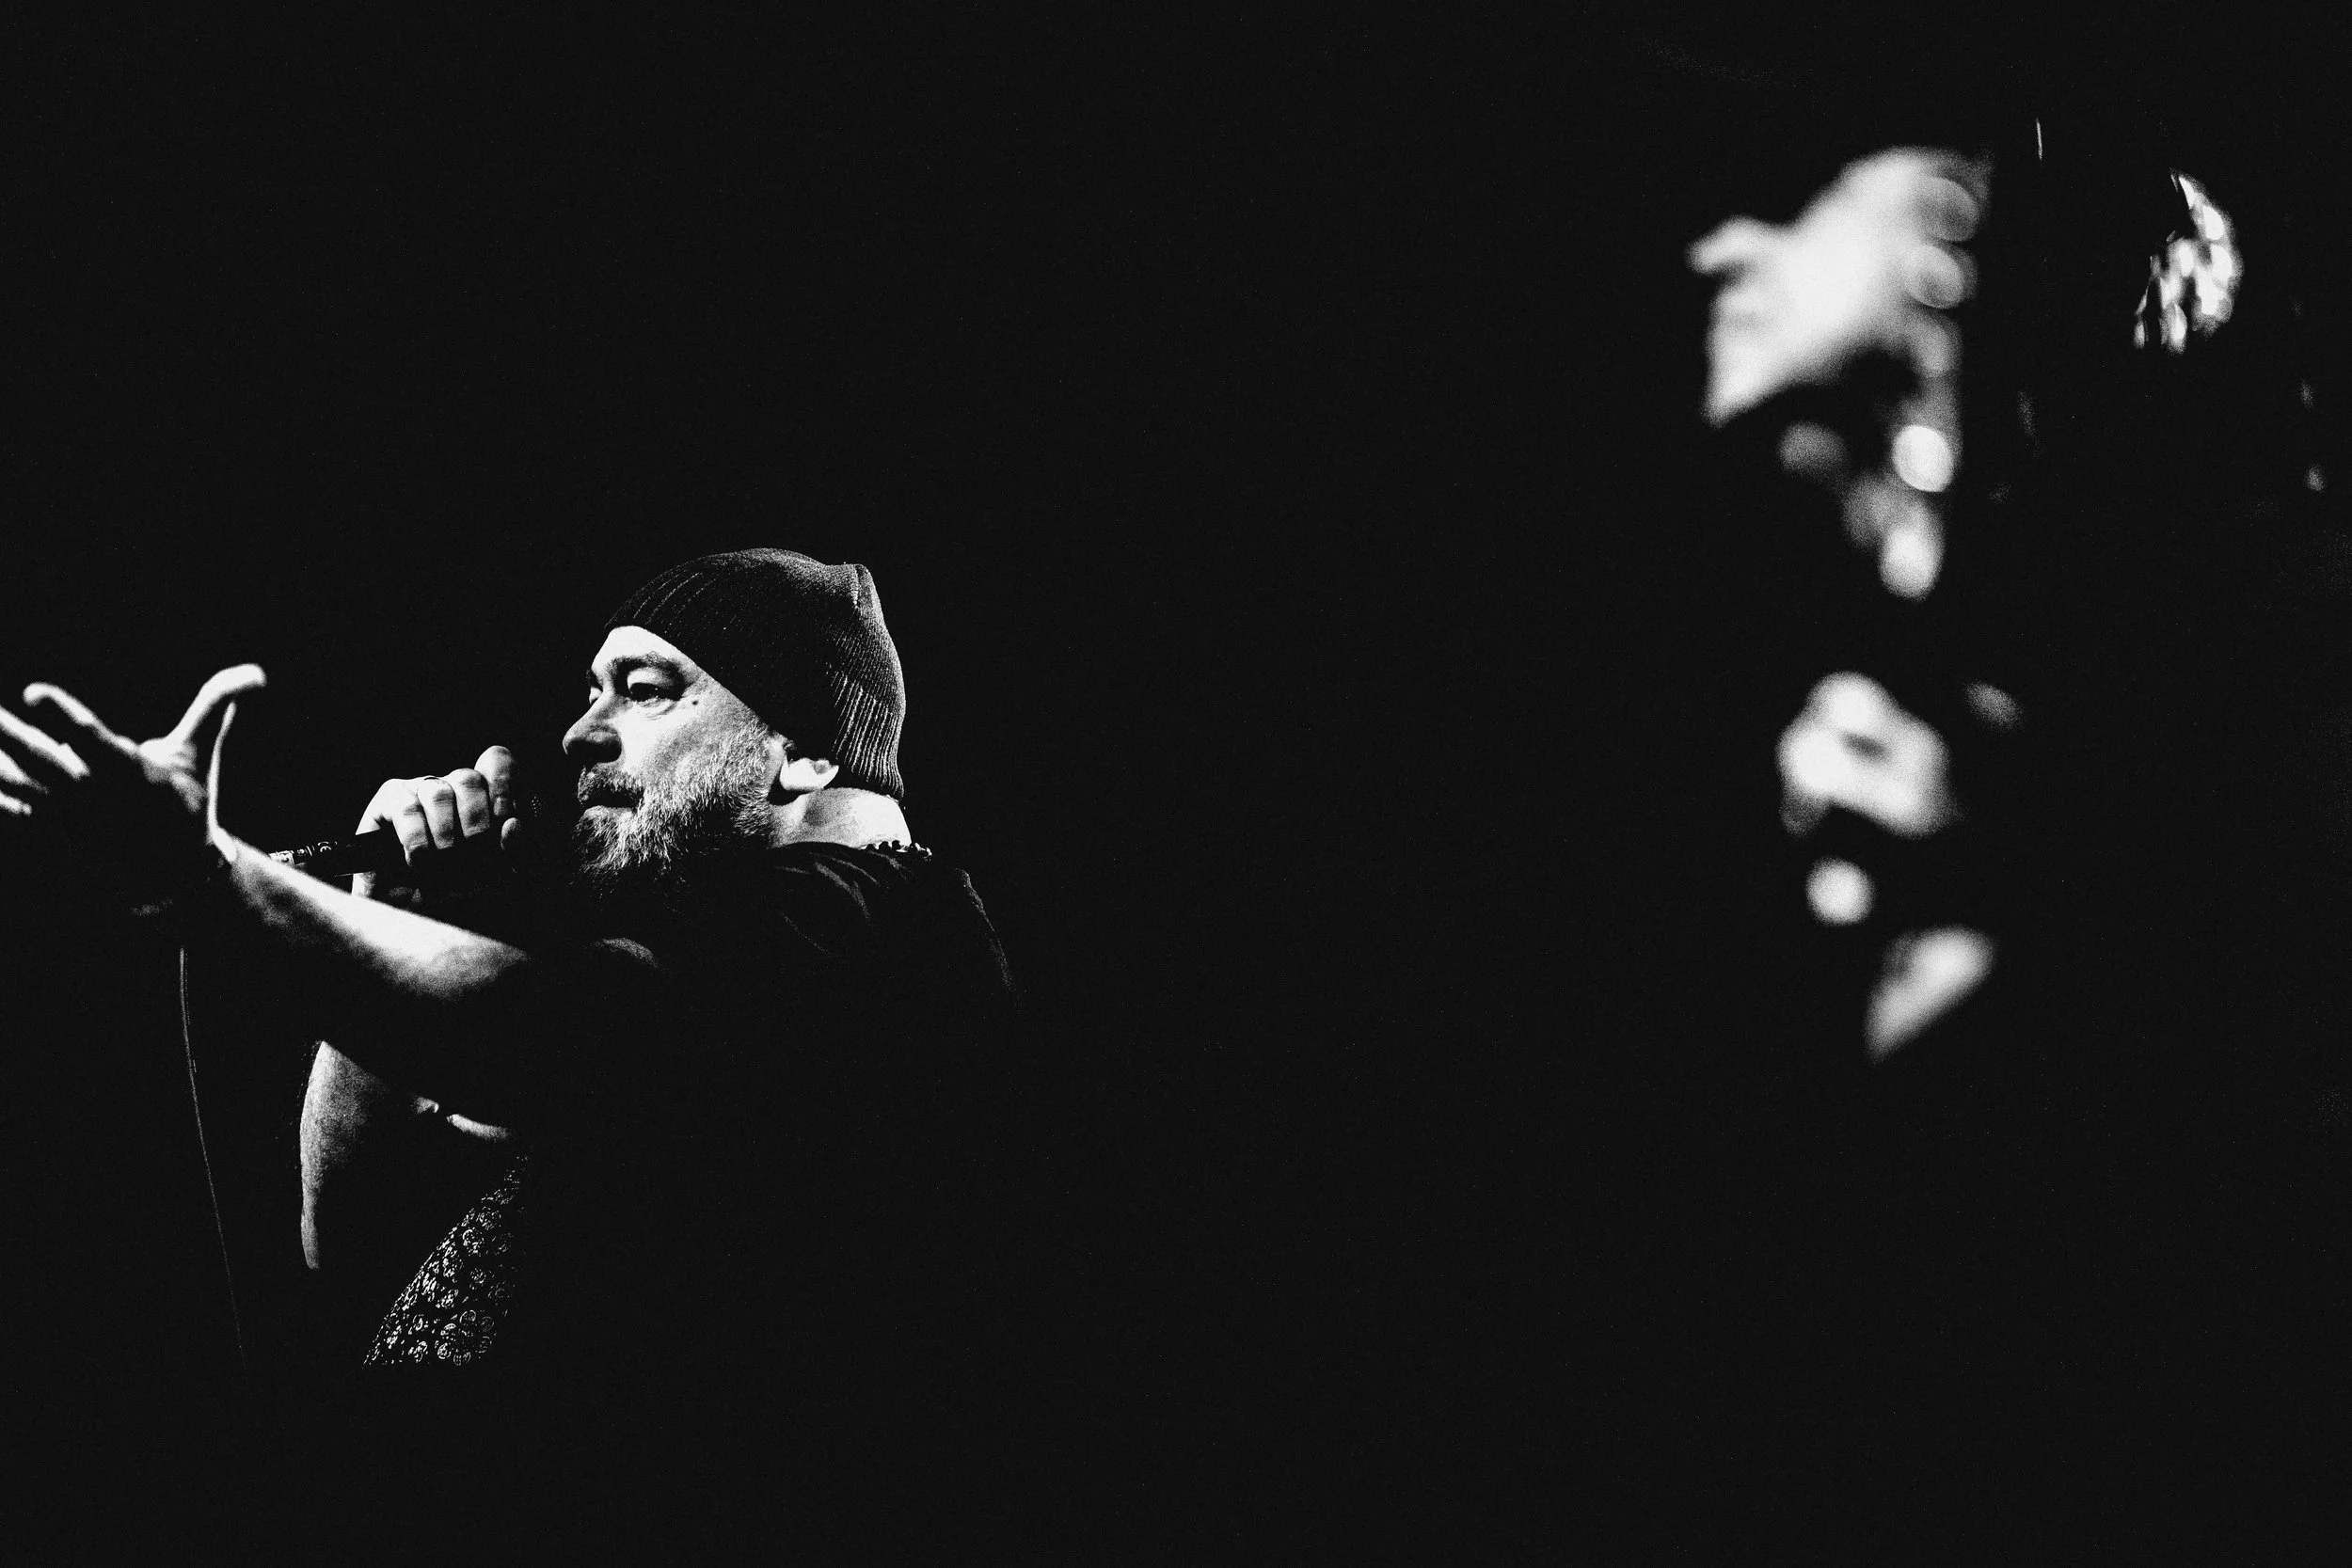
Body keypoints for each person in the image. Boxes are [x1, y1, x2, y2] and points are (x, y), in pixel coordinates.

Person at [0, 547, 1024, 1550]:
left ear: (802, 752)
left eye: (645, 691)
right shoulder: (721, 965)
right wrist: (404, 904)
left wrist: (217, 880)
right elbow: (342, 1238)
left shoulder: (879, 924)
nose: (581, 732)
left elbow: (555, 1030)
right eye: (591, 690)